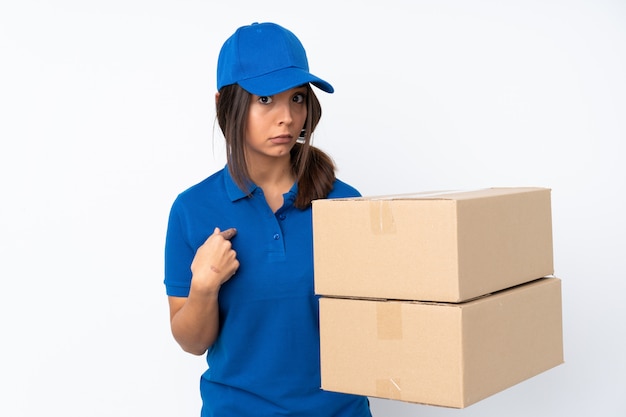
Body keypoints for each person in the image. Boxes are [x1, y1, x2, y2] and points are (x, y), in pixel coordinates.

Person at [163, 22, 372, 417]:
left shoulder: (345, 204)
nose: (287, 118)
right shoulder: (192, 210)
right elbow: (192, 342)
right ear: (225, 103)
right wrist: (204, 287)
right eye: (264, 99)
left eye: (296, 98)